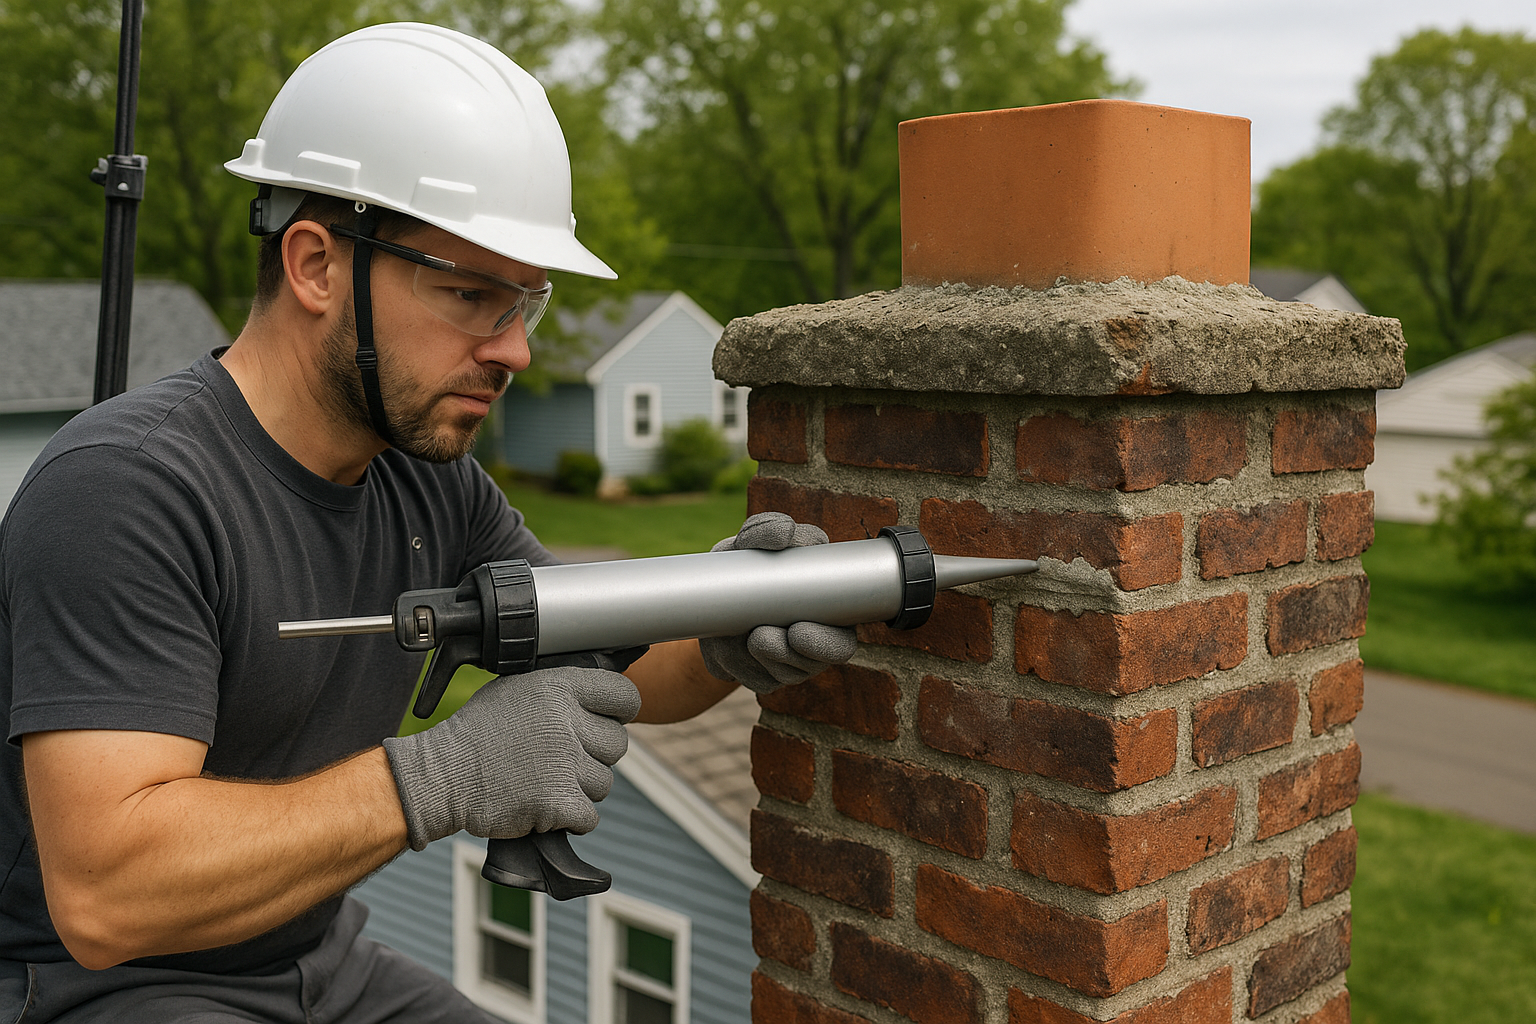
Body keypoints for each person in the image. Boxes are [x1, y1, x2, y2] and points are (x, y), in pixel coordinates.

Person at [0, 23, 855, 1024]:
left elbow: (611, 660)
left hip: (321, 963)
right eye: (468, 296)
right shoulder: (129, 491)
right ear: (316, 265)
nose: (515, 352)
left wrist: (727, 621)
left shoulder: (426, 479)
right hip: (98, 989)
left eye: (522, 303)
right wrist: (440, 775)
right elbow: (109, 895)